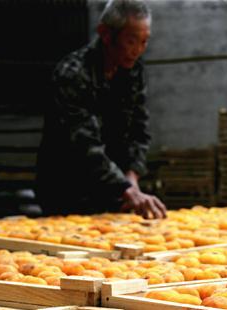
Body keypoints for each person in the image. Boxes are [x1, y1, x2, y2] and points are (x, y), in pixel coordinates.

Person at [37, 0, 166, 219]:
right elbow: (84, 144)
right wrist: (125, 188)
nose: (137, 50)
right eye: (131, 41)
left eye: (144, 42)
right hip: (66, 187)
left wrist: (132, 179)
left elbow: (139, 128)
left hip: (113, 189)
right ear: (105, 34)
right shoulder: (73, 74)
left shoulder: (133, 71)